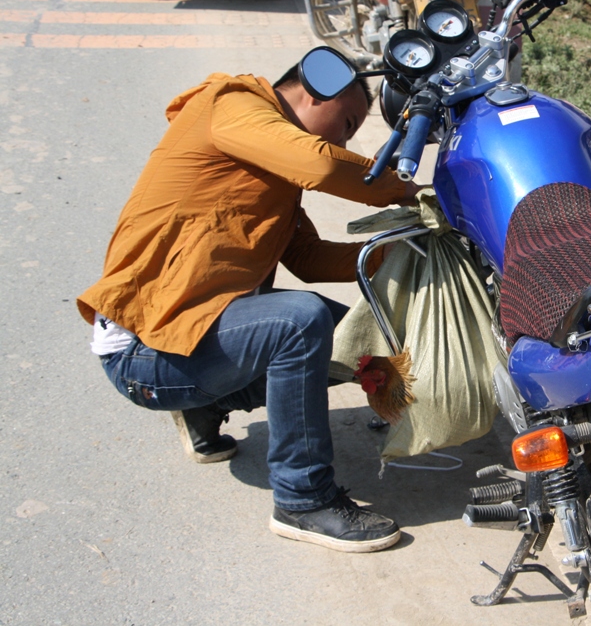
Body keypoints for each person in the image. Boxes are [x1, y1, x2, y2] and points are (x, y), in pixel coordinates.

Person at [77, 62, 419, 554]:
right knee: (299, 321)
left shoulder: (272, 174)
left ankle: (205, 405)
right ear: (316, 95)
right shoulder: (231, 104)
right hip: (141, 353)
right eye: (346, 126)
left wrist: (404, 247)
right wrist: (403, 189)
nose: (345, 142)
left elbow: (307, 258)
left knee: (356, 336)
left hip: (192, 339)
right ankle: (303, 500)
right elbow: (322, 164)